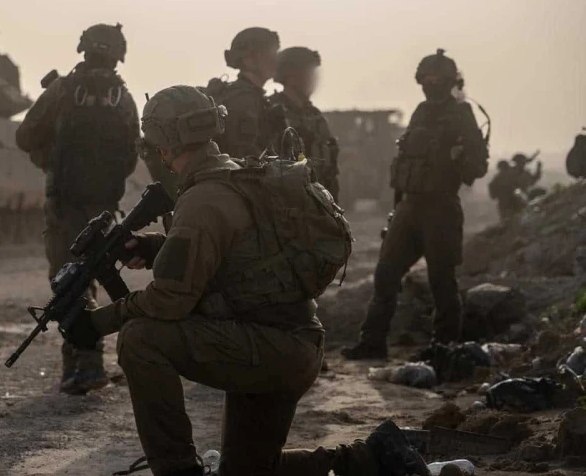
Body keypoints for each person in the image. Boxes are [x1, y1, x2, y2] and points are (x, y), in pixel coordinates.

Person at [62, 85, 430, 476]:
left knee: (140, 337)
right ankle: (372, 458)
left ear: (166, 143)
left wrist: (96, 324)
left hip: (268, 347)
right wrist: (156, 247)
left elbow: (170, 301)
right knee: (247, 472)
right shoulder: (237, 173)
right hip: (289, 342)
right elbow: (238, 254)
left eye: (154, 145)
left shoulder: (202, 199)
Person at [15, 23, 140, 394]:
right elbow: (131, 157)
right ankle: (89, 362)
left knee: (68, 279)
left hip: (63, 203)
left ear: (83, 49)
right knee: (92, 277)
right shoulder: (125, 98)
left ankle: (82, 366)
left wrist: (50, 159)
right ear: (119, 54)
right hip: (104, 204)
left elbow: (24, 137)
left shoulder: (62, 90)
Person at [343, 49, 489, 360]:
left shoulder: (461, 115)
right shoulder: (421, 112)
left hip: (441, 208)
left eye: (436, 79)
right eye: (426, 79)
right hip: (408, 207)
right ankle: (372, 342)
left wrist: (461, 156)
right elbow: (404, 164)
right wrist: (395, 212)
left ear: (450, 81)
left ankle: (444, 347)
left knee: (441, 279)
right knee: (385, 274)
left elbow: (478, 167)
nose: (430, 84)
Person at [269, 46, 341, 201]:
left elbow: (330, 168)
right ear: (291, 76)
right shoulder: (273, 113)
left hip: (319, 201)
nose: (313, 79)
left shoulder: (315, 116)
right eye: (308, 73)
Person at [213, 27, 287, 159]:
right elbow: (245, 157)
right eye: (269, 55)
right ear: (249, 59)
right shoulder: (243, 100)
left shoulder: (254, 96)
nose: (275, 61)